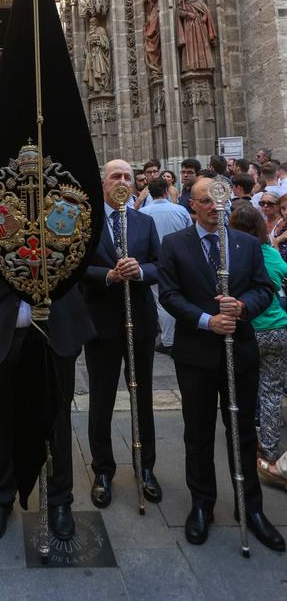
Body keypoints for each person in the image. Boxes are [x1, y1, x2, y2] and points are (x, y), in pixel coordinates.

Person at [158, 176, 284, 551]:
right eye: (206, 201)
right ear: (192, 206)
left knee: (243, 431)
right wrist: (205, 320)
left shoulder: (246, 245)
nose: (215, 206)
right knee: (197, 433)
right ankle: (202, 504)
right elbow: (169, 294)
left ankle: (253, 508)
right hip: (196, 354)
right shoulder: (174, 244)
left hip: (240, 351)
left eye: (220, 199)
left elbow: (264, 289)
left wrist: (243, 307)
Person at [0, 211, 94, 542]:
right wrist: (28, 236)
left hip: (53, 330)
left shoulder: (59, 206)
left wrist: (16, 237)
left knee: (58, 420)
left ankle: (60, 500)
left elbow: (73, 249)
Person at [83, 160, 161, 510]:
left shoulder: (145, 223)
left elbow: (161, 265)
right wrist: (109, 276)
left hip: (140, 322)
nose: (123, 181)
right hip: (101, 323)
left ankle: (146, 467)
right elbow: (78, 267)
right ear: (103, 184)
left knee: (142, 396)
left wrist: (141, 270)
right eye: (116, 176)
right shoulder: (89, 223)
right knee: (101, 398)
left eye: (129, 177)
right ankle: (102, 469)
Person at [227, 204, 287, 474]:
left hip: (250, 329)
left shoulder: (234, 255)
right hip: (277, 328)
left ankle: (247, 444)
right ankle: (270, 448)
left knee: (243, 389)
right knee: (272, 391)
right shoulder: (271, 254)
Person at [138, 176, 191, 353]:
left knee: (162, 300)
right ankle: (173, 338)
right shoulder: (180, 210)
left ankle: (169, 340)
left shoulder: (144, 212)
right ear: (167, 191)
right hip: (178, 259)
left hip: (156, 260)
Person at [269, 193, 287, 263]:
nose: (286, 212)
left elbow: (282, 265)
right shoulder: (280, 221)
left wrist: (276, 242)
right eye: (283, 208)